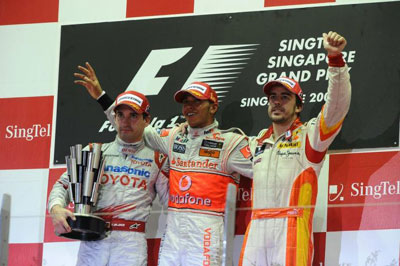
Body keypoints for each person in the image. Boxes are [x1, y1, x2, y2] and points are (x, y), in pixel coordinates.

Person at [75, 63, 254, 265]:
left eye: (197, 102)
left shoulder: (231, 142)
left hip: (206, 227)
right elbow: (131, 125)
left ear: (213, 106)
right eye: (186, 103)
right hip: (174, 228)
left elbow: (261, 172)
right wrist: (101, 97)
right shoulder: (173, 137)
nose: (190, 107)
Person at [239, 31, 351, 266]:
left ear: (298, 106)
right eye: (273, 97)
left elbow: (337, 106)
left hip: (291, 228)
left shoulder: (310, 137)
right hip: (256, 228)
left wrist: (335, 61)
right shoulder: (256, 142)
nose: (277, 102)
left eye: (285, 97)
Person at [48, 89, 169, 266]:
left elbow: (173, 205)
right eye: (120, 114)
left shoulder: (158, 159)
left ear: (147, 120)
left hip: (131, 245)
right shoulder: (94, 151)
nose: (125, 122)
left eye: (133, 115)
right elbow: (63, 185)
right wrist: (56, 208)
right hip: (93, 239)